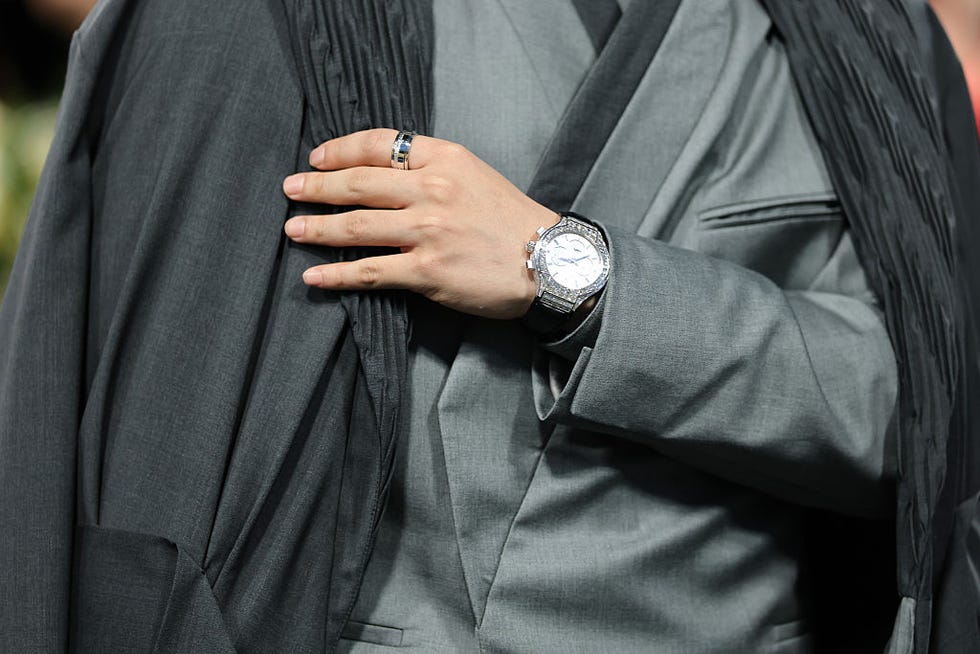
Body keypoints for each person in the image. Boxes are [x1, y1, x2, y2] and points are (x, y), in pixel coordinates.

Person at [0, 0, 975, 652]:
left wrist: (574, 277)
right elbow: (114, 454)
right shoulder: (256, 21)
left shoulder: (861, 45)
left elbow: (925, 413)